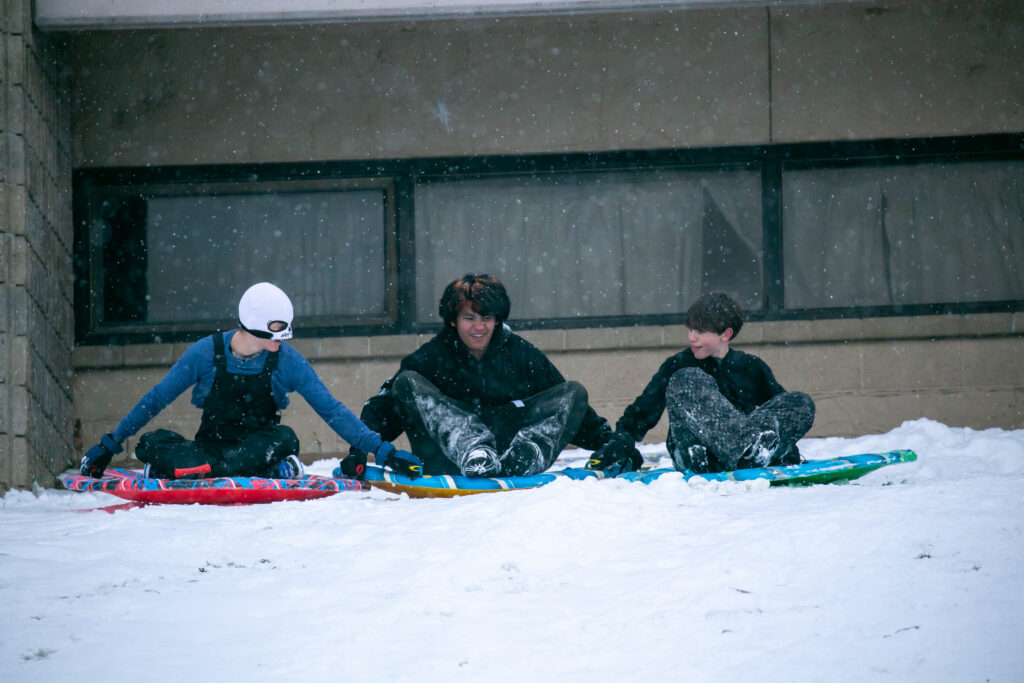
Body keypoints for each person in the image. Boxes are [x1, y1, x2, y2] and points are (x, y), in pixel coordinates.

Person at [79, 282, 421, 480]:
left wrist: (385, 451)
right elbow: (155, 399)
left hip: (261, 444)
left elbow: (331, 410)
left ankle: (199, 470)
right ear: (252, 324)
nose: (281, 342)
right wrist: (111, 444)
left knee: (285, 438)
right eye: (275, 334)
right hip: (211, 445)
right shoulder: (205, 353)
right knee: (152, 443)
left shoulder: (286, 360)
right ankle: (229, 468)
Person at [341, 273, 631, 479]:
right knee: (406, 384)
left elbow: (566, 402)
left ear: (497, 320)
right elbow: (387, 406)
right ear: (453, 321)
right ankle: (473, 451)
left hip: (506, 456)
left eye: (487, 318)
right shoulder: (431, 356)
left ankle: (526, 455)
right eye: (470, 318)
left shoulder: (518, 352)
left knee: (574, 391)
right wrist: (360, 449)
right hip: (447, 459)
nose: (479, 327)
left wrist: (612, 443)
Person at [588, 292, 815, 474]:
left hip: (748, 451)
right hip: (695, 451)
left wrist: (786, 445)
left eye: (700, 331)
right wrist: (621, 441)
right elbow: (642, 411)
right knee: (687, 378)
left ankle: (748, 453)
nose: (691, 337)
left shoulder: (750, 366)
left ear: (725, 335)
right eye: (690, 329)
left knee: (800, 402)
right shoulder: (679, 365)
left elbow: (777, 409)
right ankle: (746, 452)